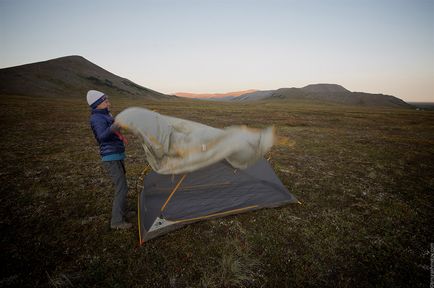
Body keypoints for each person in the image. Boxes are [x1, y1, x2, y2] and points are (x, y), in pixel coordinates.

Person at [87, 90, 132, 229]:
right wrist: (114, 126)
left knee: (123, 184)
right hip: (110, 156)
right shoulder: (96, 118)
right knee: (122, 187)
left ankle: (122, 212)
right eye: (106, 101)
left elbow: (114, 129)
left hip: (116, 153)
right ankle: (117, 222)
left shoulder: (106, 115)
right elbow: (101, 137)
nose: (109, 103)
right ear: (98, 104)